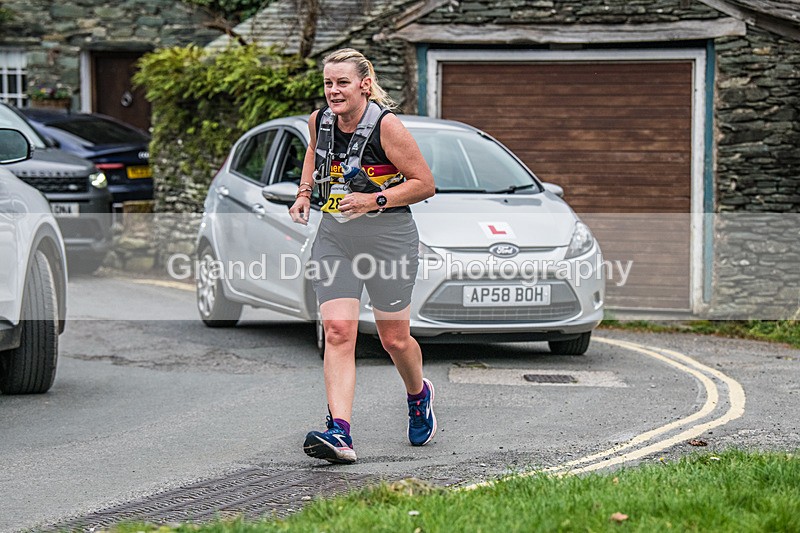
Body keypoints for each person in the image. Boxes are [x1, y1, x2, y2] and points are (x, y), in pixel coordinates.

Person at [289, 48, 436, 464]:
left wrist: (374, 200)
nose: (333, 91)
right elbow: (313, 154)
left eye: (342, 83)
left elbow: (424, 184)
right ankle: (340, 433)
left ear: (364, 85)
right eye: (328, 83)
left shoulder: (386, 126)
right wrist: (303, 195)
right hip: (336, 236)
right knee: (338, 331)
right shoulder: (320, 120)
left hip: (389, 238)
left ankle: (418, 394)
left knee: (393, 338)